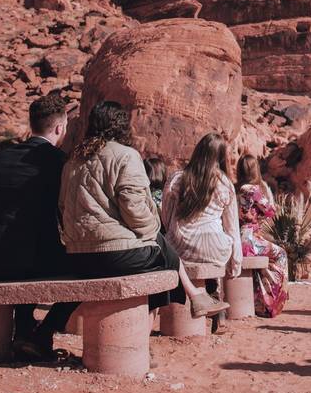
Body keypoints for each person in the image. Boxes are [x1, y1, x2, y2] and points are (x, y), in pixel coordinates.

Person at [60, 101, 228, 332]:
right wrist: (152, 232)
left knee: (162, 252)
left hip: (77, 254)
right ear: (121, 125)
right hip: (116, 255)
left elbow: (62, 206)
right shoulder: (126, 156)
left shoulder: (73, 160)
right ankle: (150, 329)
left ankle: (44, 332)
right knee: (163, 253)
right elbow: (135, 210)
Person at [0, 93, 75, 361]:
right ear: (60, 128)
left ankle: (24, 328)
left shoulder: (2, 156)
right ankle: (43, 333)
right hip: (27, 259)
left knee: (27, 247)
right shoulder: (58, 161)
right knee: (92, 270)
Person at [160, 133, 243, 303]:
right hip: (216, 249)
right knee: (215, 243)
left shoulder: (177, 178)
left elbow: (166, 217)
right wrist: (236, 262)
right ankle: (214, 293)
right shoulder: (225, 183)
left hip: (182, 247)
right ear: (221, 157)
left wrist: (175, 236)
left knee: (170, 243)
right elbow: (232, 227)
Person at [235, 154, 289, 317]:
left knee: (263, 264)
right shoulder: (253, 190)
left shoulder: (235, 188)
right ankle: (275, 296)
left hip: (237, 237)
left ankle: (261, 300)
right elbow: (270, 211)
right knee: (281, 254)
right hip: (251, 238)